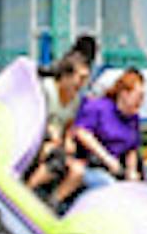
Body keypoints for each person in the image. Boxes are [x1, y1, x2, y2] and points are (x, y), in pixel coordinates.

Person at [50, 67, 146, 207]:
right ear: (124, 93)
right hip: (88, 164)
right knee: (107, 186)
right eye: (138, 97)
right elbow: (82, 132)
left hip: (115, 170)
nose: (141, 102)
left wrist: (131, 171)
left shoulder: (133, 119)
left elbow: (131, 148)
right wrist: (107, 158)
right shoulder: (98, 107)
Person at [24, 43, 95, 194]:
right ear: (66, 76)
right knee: (55, 156)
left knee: (77, 170)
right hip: (36, 139)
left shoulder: (75, 100)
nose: (82, 84)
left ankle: (53, 202)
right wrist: (49, 132)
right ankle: (27, 189)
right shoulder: (46, 91)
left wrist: (68, 139)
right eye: (80, 78)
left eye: (85, 79)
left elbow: (69, 125)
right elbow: (31, 116)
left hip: (56, 144)